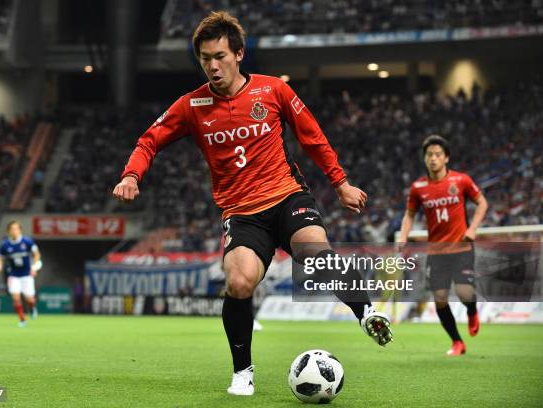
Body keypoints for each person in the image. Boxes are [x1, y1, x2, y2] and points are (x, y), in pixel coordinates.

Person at [113, 11, 392, 396]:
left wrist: (340, 183)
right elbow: (149, 140)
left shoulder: (274, 90)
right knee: (240, 282)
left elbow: (312, 136)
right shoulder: (191, 106)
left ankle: (366, 313)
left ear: (239, 53)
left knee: (315, 255)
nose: (212, 66)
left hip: (286, 195)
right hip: (242, 213)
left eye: (220, 56)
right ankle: (243, 371)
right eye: (205, 59)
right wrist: (131, 175)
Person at [398, 135, 488, 356]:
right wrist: (403, 236)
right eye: (429, 155)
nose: (433, 158)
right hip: (436, 252)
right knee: (439, 300)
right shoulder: (418, 187)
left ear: (446, 158)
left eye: (438, 154)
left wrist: (472, 229)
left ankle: (472, 311)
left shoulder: (461, 180)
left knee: (465, 291)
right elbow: (409, 215)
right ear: (424, 158)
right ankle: (457, 342)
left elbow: (482, 203)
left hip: (461, 247)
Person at [0, 220, 42, 327]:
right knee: (16, 297)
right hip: (14, 275)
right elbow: (0, 258)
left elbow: (37, 255)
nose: (14, 231)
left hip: (27, 275)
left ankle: (32, 307)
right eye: (12, 229)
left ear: (20, 230)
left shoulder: (27, 242)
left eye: (16, 229)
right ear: (8, 231)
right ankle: (22, 320)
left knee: (30, 299)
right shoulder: (5, 245)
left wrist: (34, 267)